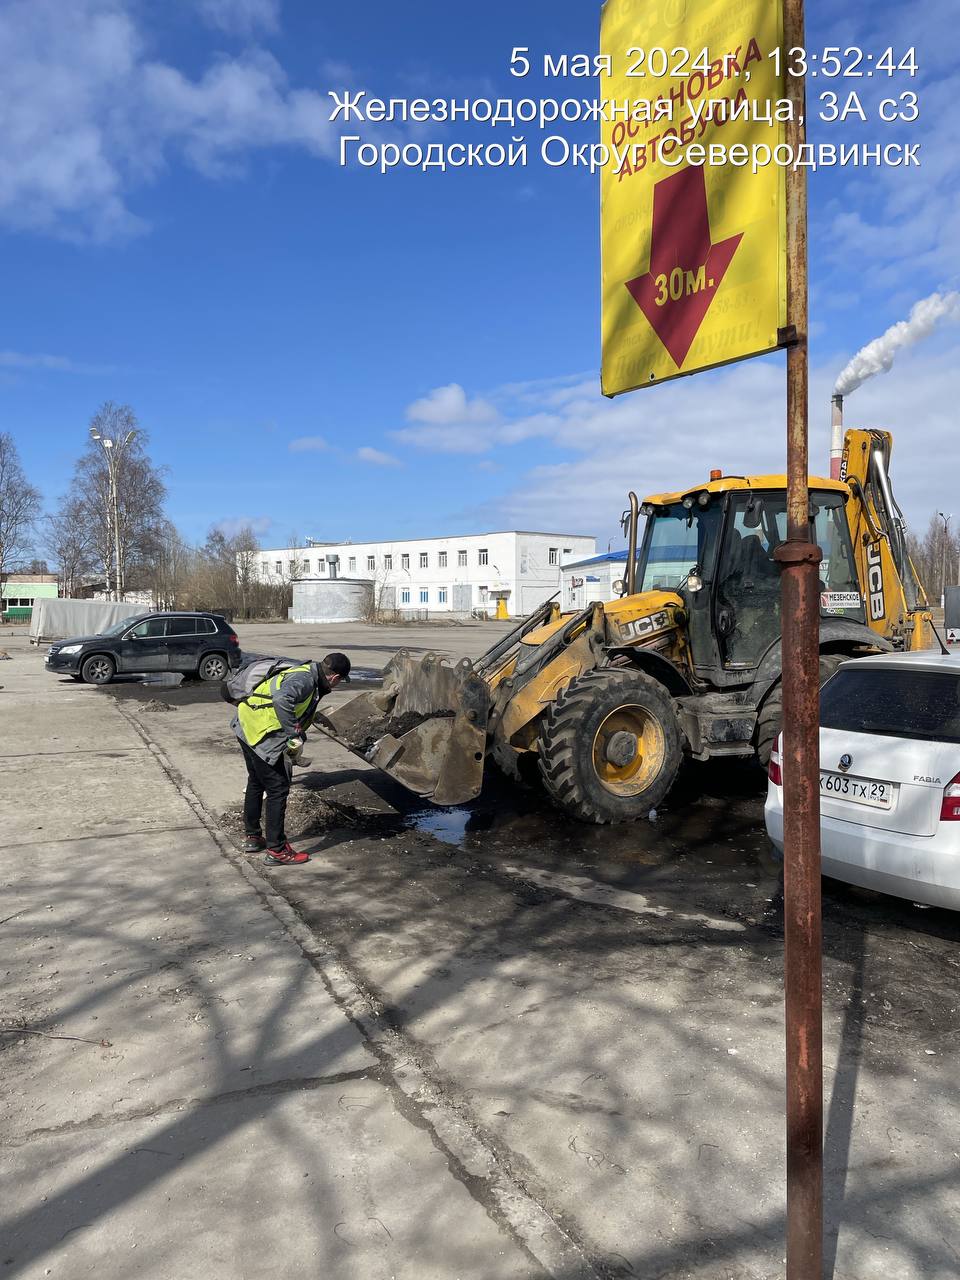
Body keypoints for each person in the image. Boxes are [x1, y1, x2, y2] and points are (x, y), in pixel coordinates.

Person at [233, 652, 351, 865]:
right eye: (340, 681)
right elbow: (281, 698)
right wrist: (293, 733)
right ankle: (277, 850)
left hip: (246, 724)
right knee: (278, 788)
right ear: (335, 678)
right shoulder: (305, 680)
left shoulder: (304, 670)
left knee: (256, 781)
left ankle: (252, 837)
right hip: (261, 733)